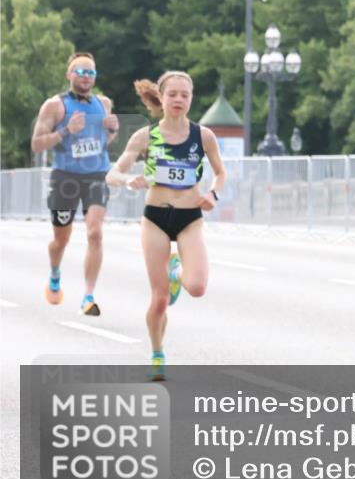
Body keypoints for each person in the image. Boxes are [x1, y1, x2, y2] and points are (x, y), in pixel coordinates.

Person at [106, 72, 226, 381]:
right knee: (159, 300)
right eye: (172, 94)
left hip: (190, 218)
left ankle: (177, 272)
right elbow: (112, 174)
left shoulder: (203, 136)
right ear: (161, 98)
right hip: (156, 219)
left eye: (185, 95)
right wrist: (128, 180)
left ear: (191, 99)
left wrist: (213, 194)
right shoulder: (145, 136)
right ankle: (157, 352)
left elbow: (220, 173)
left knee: (197, 287)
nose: (178, 100)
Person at [30, 52, 119, 316]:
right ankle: (55, 273)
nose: (86, 76)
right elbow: (37, 144)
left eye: (91, 72)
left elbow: (103, 143)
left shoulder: (104, 103)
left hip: (96, 175)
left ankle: (88, 297)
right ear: (69, 74)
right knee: (61, 239)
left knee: (95, 233)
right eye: (80, 71)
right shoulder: (54, 106)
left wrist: (112, 131)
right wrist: (67, 130)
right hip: (65, 177)